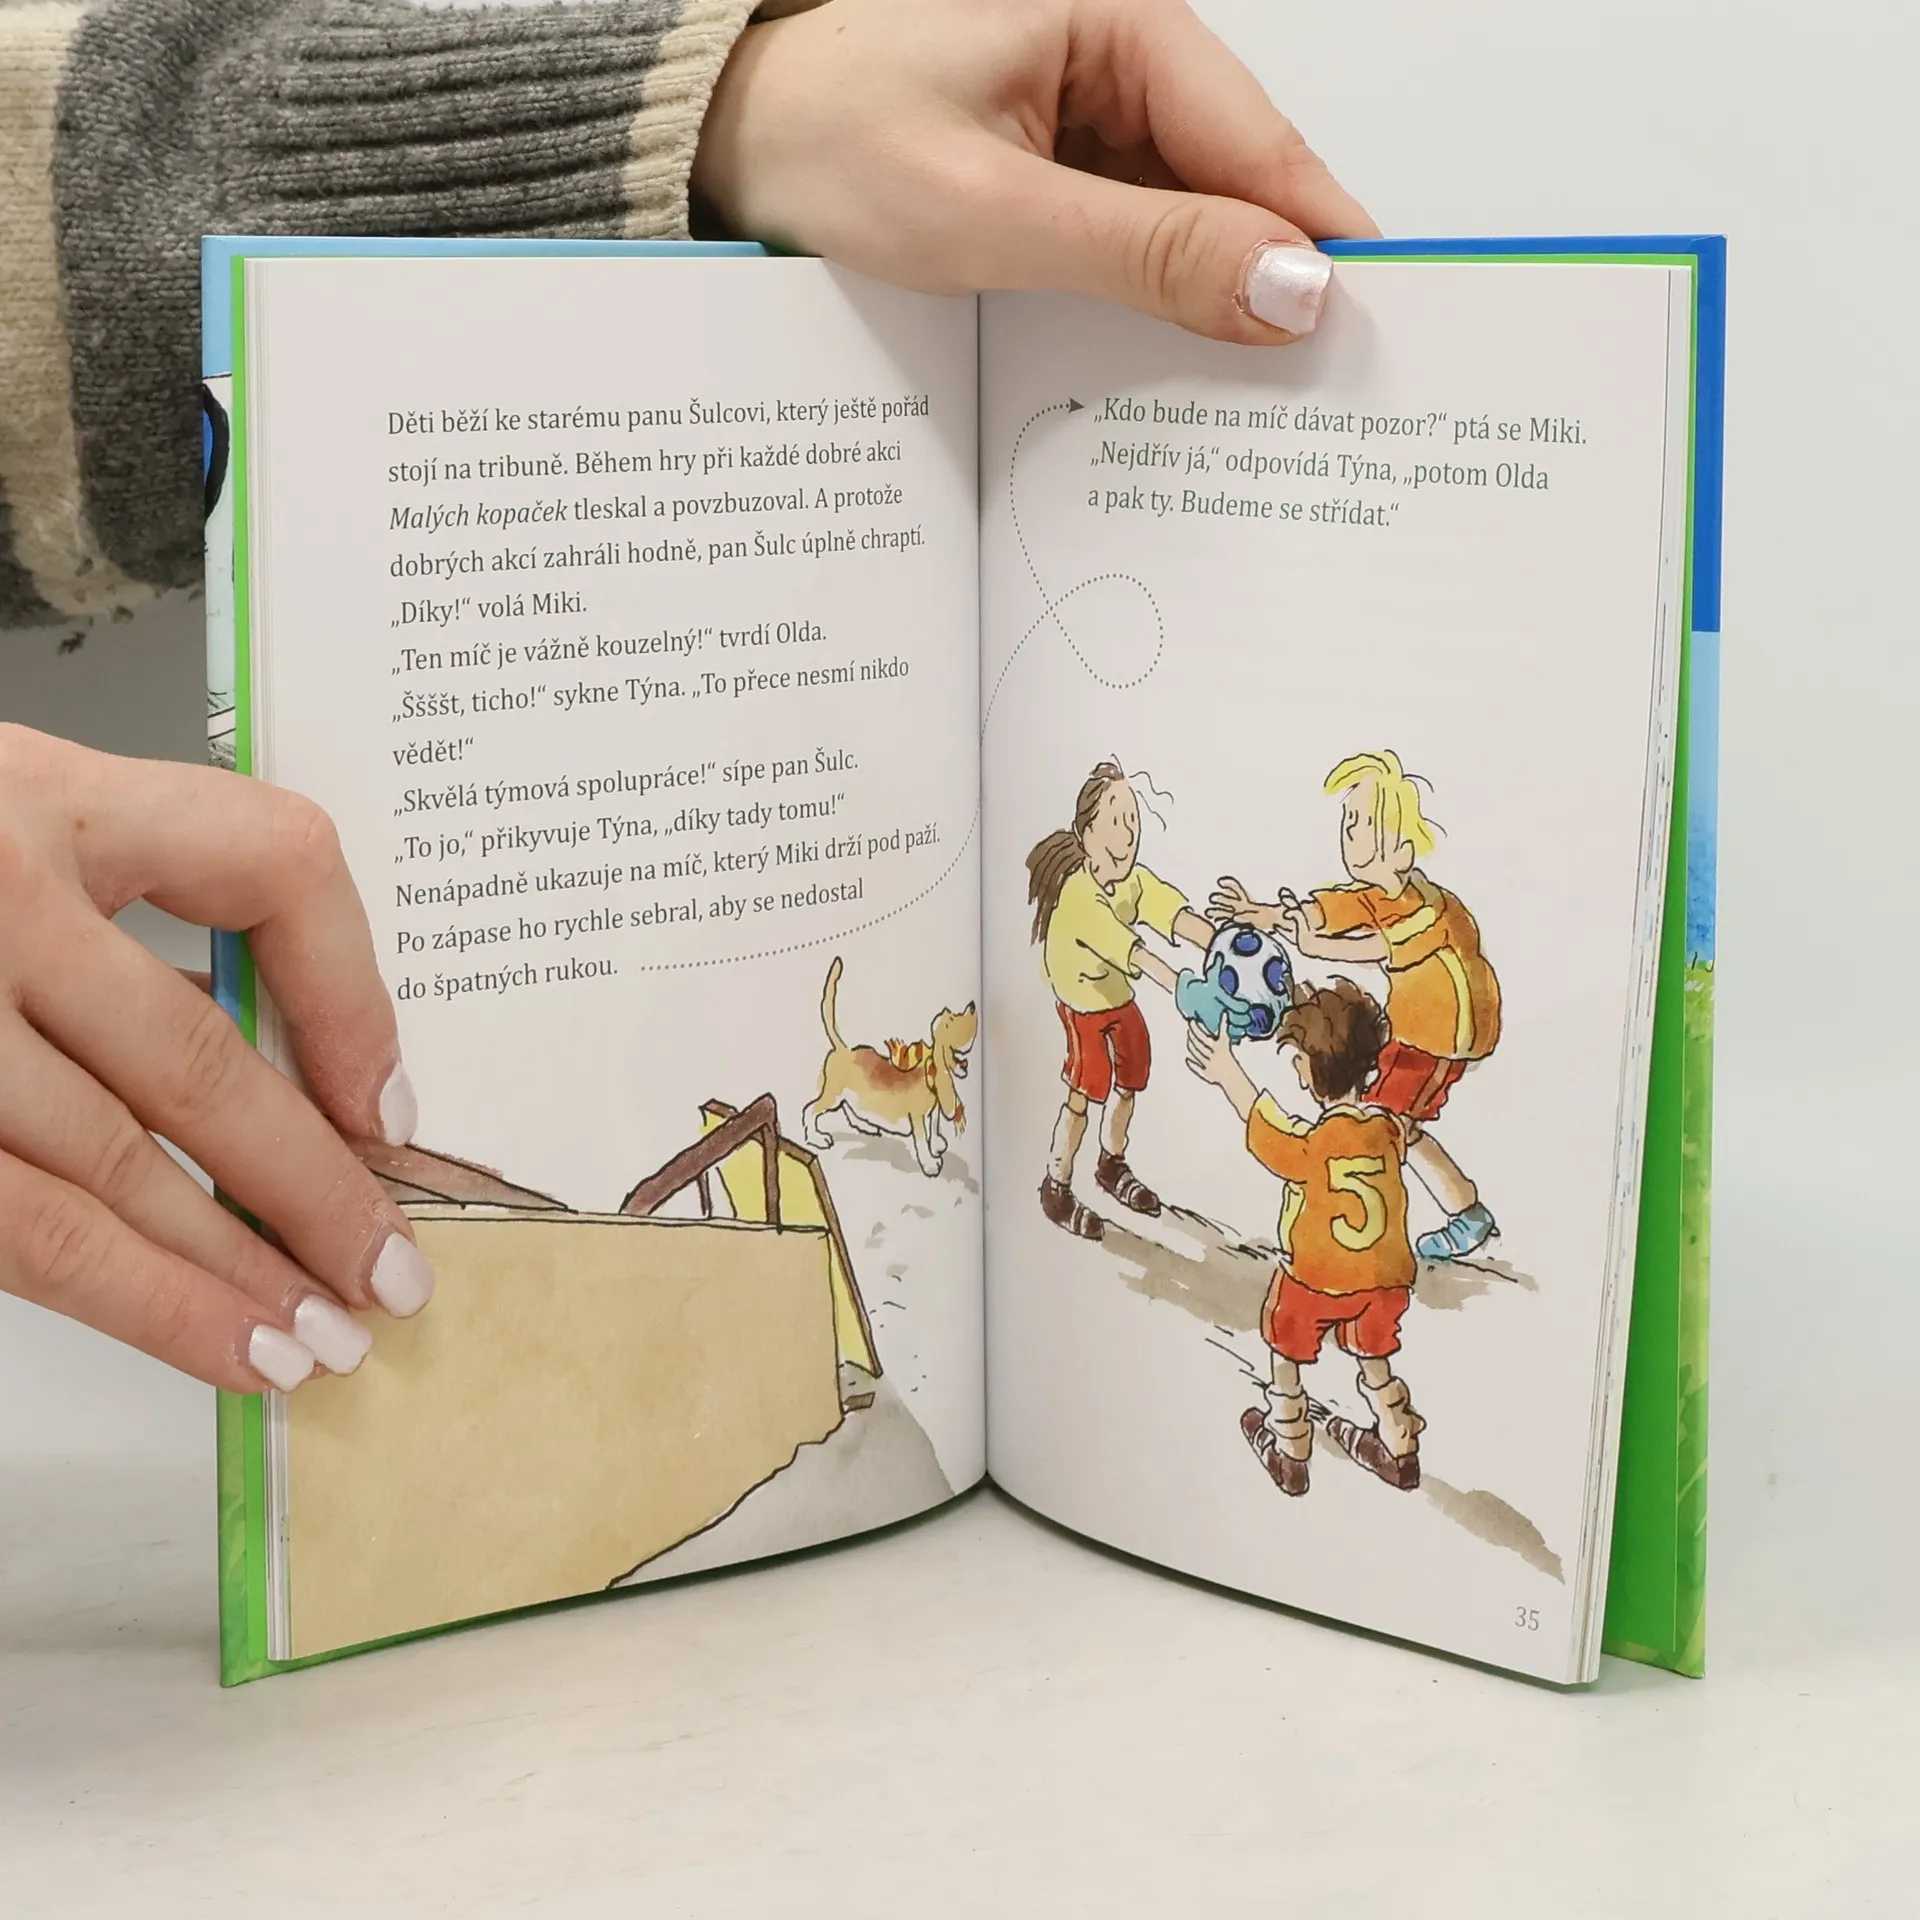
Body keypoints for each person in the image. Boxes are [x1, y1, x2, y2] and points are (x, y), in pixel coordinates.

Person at [0, 0, 1374, 1390]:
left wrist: (732, 113)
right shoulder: (1083, 896)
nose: (1128, 835)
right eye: (1119, 820)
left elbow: (1162, 918)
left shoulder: (1129, 882)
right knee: (1082, 1088)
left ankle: (1096, 1173)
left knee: (1111, 1088)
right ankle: (1072, 1176)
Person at [1211, 748, 1501, 1262]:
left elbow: (1378, 947)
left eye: (1364, 822)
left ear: (1402, 851)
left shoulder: (1430, 910)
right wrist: (1262, 914)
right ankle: (1458, 1213)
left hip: (1447, 1038)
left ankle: (1408, 1222)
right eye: (1347, 821)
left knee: (1386, 1123)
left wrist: (1315, 947)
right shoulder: (1375, 895)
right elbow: (1325, 910)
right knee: (1395, 1122)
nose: (1349, 832)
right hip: (1413, 1031)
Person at [1185, 978, 1424, 1497]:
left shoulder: (1314, 1143)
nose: (1295, 1070)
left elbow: (1264, 1125)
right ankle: (1400, 1446)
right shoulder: (1387, 1130)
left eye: (1298, 1062)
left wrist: (1227, 1071)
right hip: (1385, 1281)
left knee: (1285, 1349)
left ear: (1314, 1074)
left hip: (1315, 1279)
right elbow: (1397, 1134)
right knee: (1374, 1356)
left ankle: (1291, 1451)